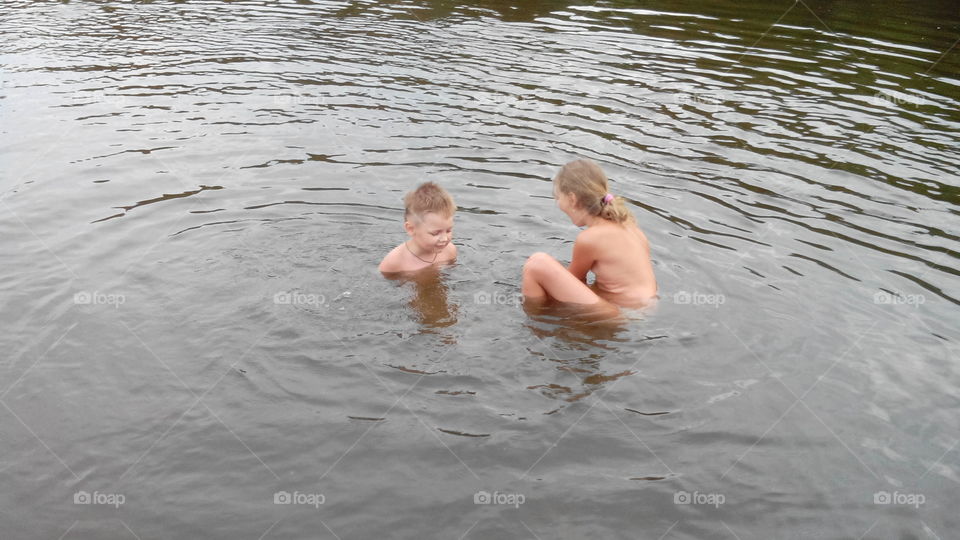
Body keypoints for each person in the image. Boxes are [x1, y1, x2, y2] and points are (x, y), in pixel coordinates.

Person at [522, 159, 657, 308]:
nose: (558, 203)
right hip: (646, 307)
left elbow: (574, 281)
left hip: (621, 313)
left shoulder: (589, 239)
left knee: (536, 264)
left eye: (558, 198)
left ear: (572, 199)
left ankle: (537, 320)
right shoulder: (630, 226)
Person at [379, 182, 457, 273]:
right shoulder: (394, 263)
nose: (444, 238)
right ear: (411, 229)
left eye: (448, 230)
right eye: (435, 233)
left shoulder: (450, 251)